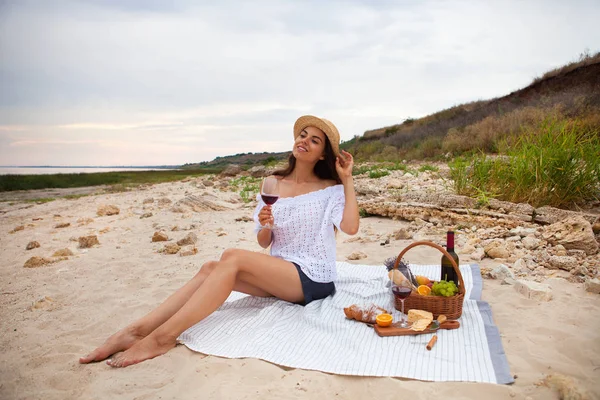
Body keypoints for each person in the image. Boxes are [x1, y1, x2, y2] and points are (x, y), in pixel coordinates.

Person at [79, 115, 359, 368]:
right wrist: (266, 223)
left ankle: (163, 337)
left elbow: (351, 227)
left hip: (313, 278)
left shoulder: (328, 189)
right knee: (210, 268)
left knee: (232, 256)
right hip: (280, 274)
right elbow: (264, 242)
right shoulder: (273, 183)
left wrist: (347, 181)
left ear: (323, 154)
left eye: (315, 140)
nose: (305, 142)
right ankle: (137, 331)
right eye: (303, 135)